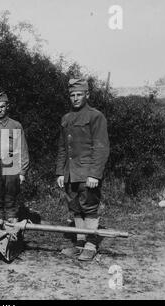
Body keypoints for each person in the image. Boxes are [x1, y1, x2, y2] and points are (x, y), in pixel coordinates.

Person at [56, 79, 110, 261]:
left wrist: (95, 174)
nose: (76, 98)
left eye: (79, 94)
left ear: (87, 95)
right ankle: (80, 243)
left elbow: (101, 147)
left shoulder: (96, 116)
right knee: (76, 208)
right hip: (70, 173)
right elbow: (63, 148)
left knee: (89, 207)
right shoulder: (66, 118)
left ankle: (91, 244)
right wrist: (60, 172)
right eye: (72, 95)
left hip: (87, 173)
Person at [0, 91, 30, 225]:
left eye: (2, 106)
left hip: (11, 166)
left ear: (7, 106)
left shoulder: (16, 125)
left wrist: (22, 172)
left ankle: (12, 229)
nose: (0, 109)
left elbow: (23, 150)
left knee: (10, 199)